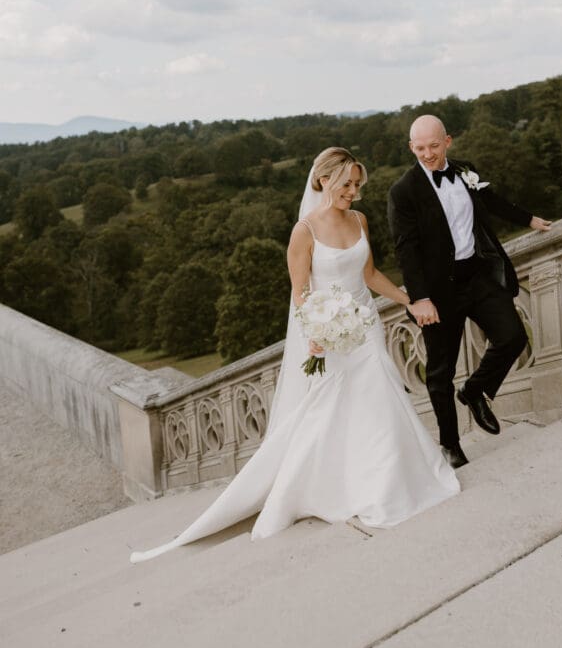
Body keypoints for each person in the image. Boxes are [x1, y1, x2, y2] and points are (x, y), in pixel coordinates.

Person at [130, 147, 459, 563]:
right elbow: (300, 292)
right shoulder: (304, 231)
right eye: (346, 185)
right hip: (331, 335)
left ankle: (393, 482)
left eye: (358, 185)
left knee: (381, 399)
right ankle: (340, 486)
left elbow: (370, 274)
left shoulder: (360, 220)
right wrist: (316, 333)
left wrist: (408, 300)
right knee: (336, 410)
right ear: (323, 180)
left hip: (366, 328)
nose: (353, 193)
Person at [387, 115, 551, 470]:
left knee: (512, 337)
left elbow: (490, 200)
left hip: (476, 277)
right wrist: (419, 298)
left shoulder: (465, 171)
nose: (427, 154)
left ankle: (476, 391)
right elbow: (406, 250)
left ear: (448, 141)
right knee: (440, 372)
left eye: (433, 146)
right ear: (410, 147)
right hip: (436, 292)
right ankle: (450, 444)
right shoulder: (403, 191)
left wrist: (529, 219)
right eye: (419, 148)